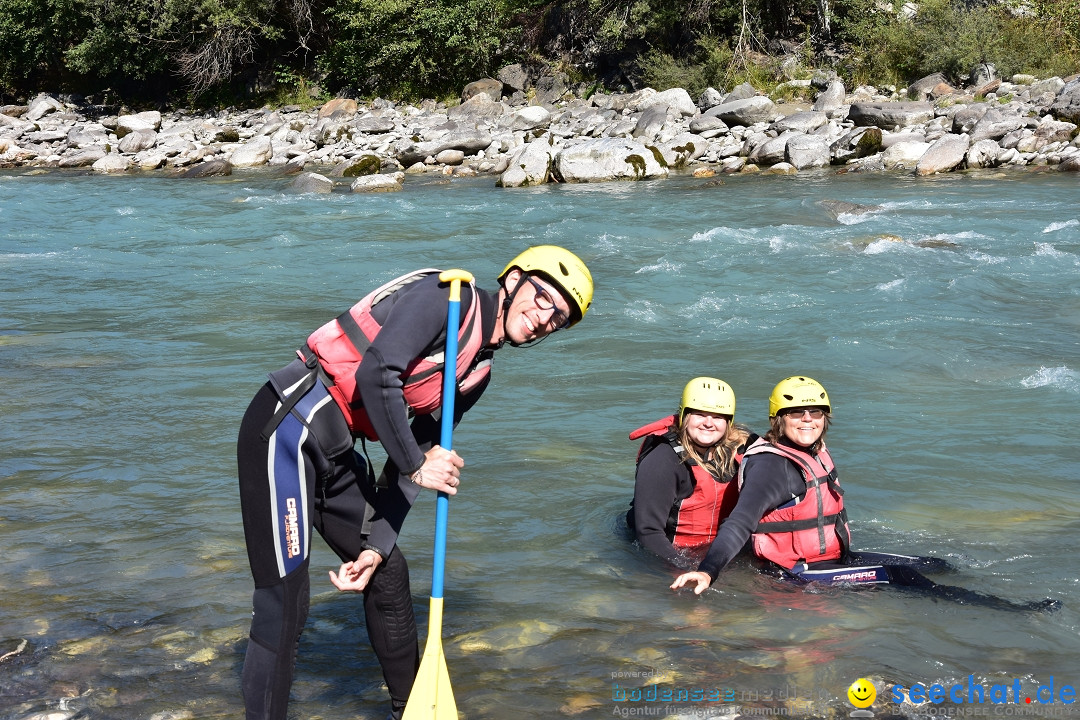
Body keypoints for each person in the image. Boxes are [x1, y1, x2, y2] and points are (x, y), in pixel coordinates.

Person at [236, 246, 594, 720]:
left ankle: (411, 711)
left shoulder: (477, 373)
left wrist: (376, 544)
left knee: (385, 571)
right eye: (546, 299)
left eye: (559, 320)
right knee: (285, 602)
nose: (545, 320)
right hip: (289, 429)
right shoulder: (449, 297)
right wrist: (416, 465)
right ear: (514, 280)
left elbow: (420, 455)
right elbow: (375, 371)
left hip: (339, 451)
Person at [669, 376, 1058, 611]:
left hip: (832, 557)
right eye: (796, 413)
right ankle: (1009, 609)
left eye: (816, 413)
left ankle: (976, 584)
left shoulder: (809, 451)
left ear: (826, 418)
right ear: (778, 420)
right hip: (795, 574)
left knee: (933, 562)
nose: (808, 420)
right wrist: (709, 570)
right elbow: (740, 522)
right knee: (900, 575)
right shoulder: (774, 466)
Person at [625, 377, 758, 564]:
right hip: (669, 553)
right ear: (685, 416)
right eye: (700, 414)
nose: (709, 423)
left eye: (718, 416)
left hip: (717, 550)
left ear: (729, 422)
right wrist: (683, 570)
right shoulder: (663, 459)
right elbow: (648, 532)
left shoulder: (741, 447)